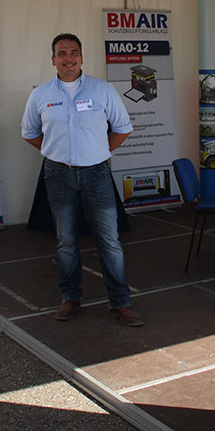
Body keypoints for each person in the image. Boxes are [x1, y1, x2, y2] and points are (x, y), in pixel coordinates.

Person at [21, 33, 144, 326]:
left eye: (74, 52)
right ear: (53, 60)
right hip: (58, 174)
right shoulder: (41, 95)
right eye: (62, 53)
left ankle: (120, 302)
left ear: (82, 57)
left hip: (96, 173)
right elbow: (29, 132)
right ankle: (70, 297)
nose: (69, 58)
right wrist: (55, 151)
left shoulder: (102, 90)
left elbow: (123, 128)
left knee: (109, 241)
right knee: (65, 240)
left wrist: (99, 151)